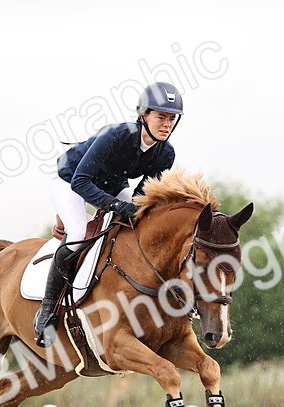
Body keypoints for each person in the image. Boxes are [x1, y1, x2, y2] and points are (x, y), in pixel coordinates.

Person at [34, 82, 183, 347]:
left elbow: (143, 194)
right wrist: (115, 207)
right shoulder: (116, 135)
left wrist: (131, 209)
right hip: (71, 181)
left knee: (136, 225)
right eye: (161, 117)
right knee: (79, 233)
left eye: (172, 119)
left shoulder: (166, 153)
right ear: (143, 115)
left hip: (111, 185)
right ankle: (46, 311)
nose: (166, 124)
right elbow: (81, 181)